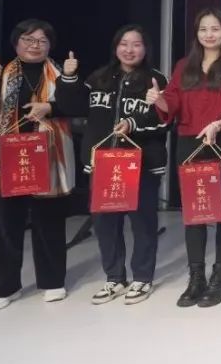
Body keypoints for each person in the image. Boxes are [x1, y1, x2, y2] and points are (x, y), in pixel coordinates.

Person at [57, 25, 168, 306]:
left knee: (143, 223)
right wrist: (68, 77)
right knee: (105, 223)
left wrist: (133, 123)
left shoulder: (156, 79)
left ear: (146, 49)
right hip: (104, 163)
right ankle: (115, 277)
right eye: (124, 44)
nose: (129, 50)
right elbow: (72, 106)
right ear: (116, 47)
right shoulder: (99, 77)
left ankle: (142, 277)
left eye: (136, 44)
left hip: (141, 163)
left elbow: (167, 120)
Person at [0, 20, 80, 311]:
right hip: (9, 159)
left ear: (50, 45)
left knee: (49, 223)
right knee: (6, 226)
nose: (35, 45)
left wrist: (50, 107)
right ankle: (5, 288)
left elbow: (77, 106)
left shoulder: (60, 72)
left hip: (49, 158)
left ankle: (53, 282)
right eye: (28, 39)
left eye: (42, 41)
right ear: (16, 43)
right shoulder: (2, 71)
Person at [149, 8, 221, 308]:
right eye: (203, 29)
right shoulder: (184, 66)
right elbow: (172, 103)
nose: (209, 34)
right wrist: (159, 99)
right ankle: (196, 278)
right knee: (194, 212)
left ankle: (220, 277)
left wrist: (219, 122)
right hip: (189, 143)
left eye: (215, 28)